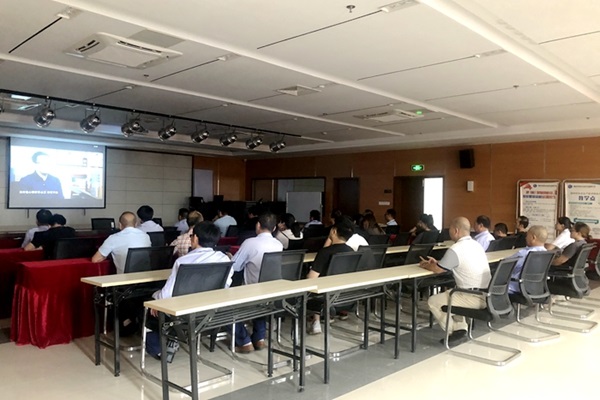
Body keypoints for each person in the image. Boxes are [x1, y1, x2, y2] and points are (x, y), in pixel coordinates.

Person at [145, 221, 232, 360]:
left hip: (183, 313)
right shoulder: (224, 259)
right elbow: (226, 286)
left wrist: (155, 300)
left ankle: (158, 349)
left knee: (150, 307)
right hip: (210, 312)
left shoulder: (183, 261)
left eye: (191, 236)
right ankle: (172, 337)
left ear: (195, 238)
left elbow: (167, 294)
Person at [420, 217, 491, 347]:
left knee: (433, 301)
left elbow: (437, 270)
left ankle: (455, 331)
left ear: (456, 230)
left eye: (450, 229)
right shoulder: (477, 245)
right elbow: (455, 263)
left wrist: (426, 265)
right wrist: (439, 263)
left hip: (471, 296)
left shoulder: (456, 248)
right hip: (487, 295)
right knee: (453, 292)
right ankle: (461, 328)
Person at [230, 212, 283, 352]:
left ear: (258, 225)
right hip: (272, 292)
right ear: (274, 228)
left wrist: (230, 256)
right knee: (261, 298)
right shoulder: (278, 244)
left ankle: (244, 341)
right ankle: (259, 338)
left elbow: (235, 266)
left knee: (227, 307)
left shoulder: (250, 243)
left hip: (251, 292)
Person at [306, 216, 355, 334]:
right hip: (347, 296)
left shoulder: (325, 252)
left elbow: (311, 278)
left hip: (327, 298)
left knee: (313, 284)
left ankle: (316, 322)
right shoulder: (352, 251)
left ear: (334, 231)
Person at [507, 225, 548, 294]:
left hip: (516, 286)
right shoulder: (546, 254)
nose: (525, 238)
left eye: (527, 236)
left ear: (533, 238)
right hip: (536, 287)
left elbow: (507, 266)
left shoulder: (524, 253)